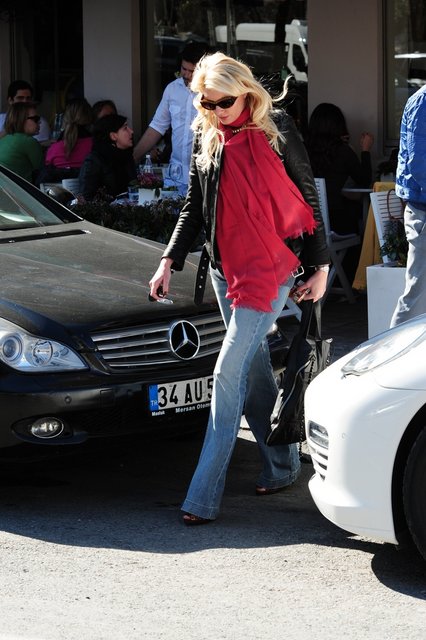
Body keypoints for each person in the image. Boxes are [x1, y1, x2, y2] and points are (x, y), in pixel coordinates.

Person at [149, 52, 329, 525]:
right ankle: (283, 464)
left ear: (245, 93)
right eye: (205, 103)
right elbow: (194, 204)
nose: (213, 111)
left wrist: (322, 266)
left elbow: (308, 195)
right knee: (252, 369)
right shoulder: (207, 133)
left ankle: (203, 496)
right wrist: (169, 260)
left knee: (227, 371)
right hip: (224, 268)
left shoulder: (277, 128)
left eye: (222, 103)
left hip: (272, 268)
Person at [133, 41, 209, 194]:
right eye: (183, 69)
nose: (186, 75)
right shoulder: (172, 89)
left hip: (204, 175)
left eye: (192, 71)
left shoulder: (212, 93)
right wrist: (133, 157)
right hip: (176, 174)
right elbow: (157, 126)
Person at [305, 102, 374, 235]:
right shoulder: (342, 151)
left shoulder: (303, 150)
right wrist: (365, 150)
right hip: (336, 222)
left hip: (306, 222)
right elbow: (364, 180)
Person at [390, 85, 426, 327]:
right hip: (424, 210)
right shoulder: (423, 100)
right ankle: (391, 349)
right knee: (417, 299)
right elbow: (419, 164)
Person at [78, 113, 136, 201]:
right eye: (125, 128)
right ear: (113, 136)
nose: (131, 131)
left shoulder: (126, 156)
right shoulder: (94, 160)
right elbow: (86, 197)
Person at [38, 98, 93, 184]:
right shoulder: (96, 147)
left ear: (65, 119)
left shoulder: (53, 149)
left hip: (58, 192)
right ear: (90, 118)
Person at [0, 102, 43, 182]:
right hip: (17, 188)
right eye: (36, 119)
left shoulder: (5, 138)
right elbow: (41, 169)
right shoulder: (29, 141)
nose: (39, 122)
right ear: (21, 120)